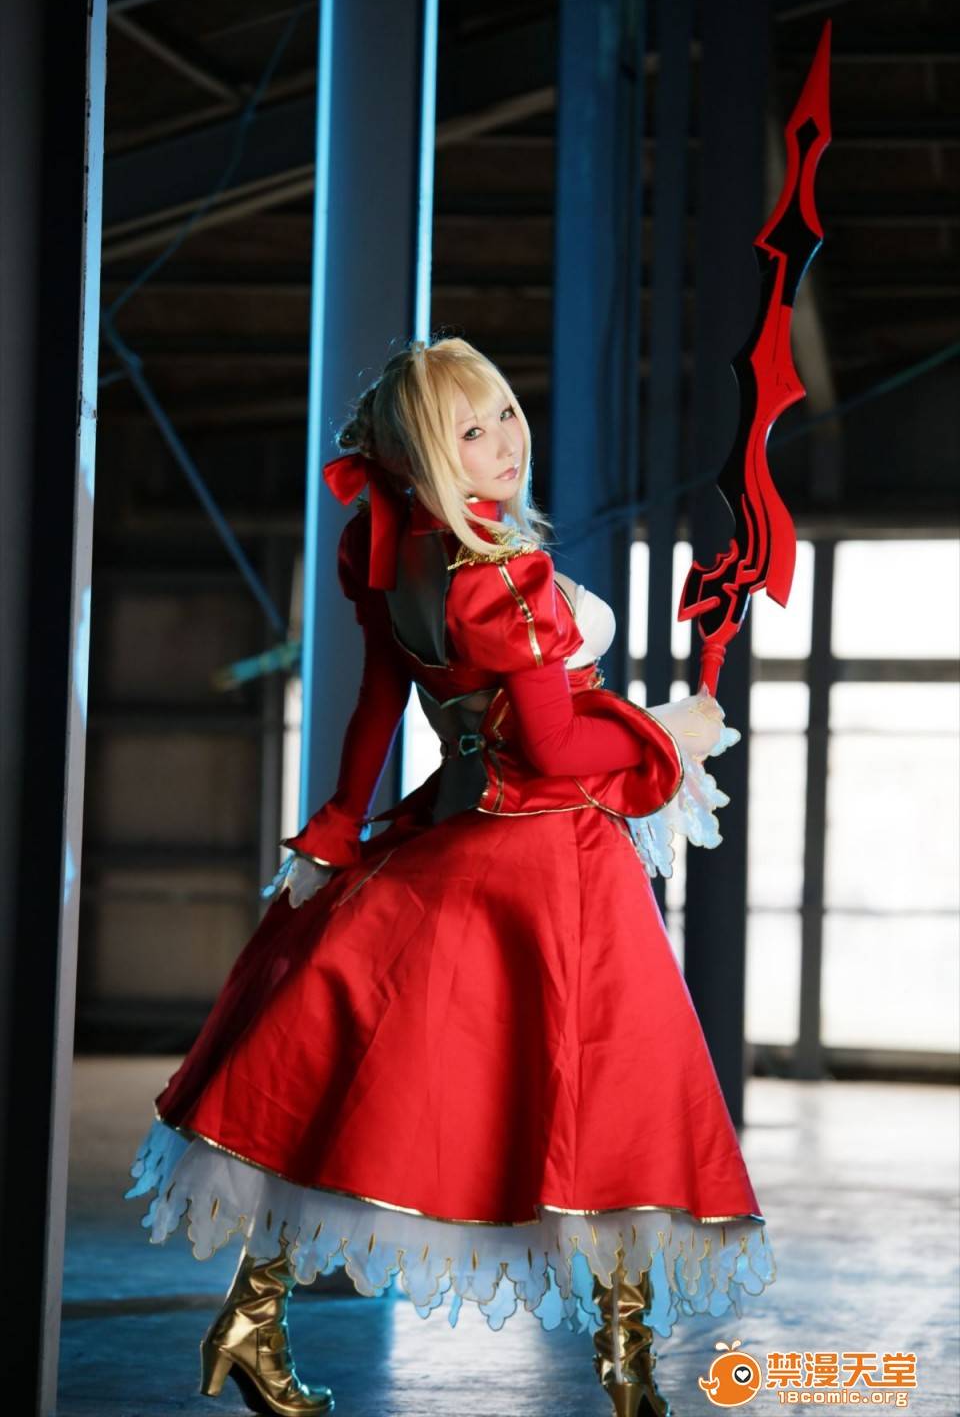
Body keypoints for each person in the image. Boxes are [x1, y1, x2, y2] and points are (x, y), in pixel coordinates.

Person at [127, 336, 776, 1417]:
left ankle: (252, 1317)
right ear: (427, 455)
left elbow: (380, 702)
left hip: (455, 839)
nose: (505, 442)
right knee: (612, 1095)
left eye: (506, 413)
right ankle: (629, 1371)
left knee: (355, 1081)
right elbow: (556, 751)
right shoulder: (500, 575)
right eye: (470, 431)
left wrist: (339, 829)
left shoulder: (399, 547)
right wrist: (673, 733)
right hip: (554, 859)